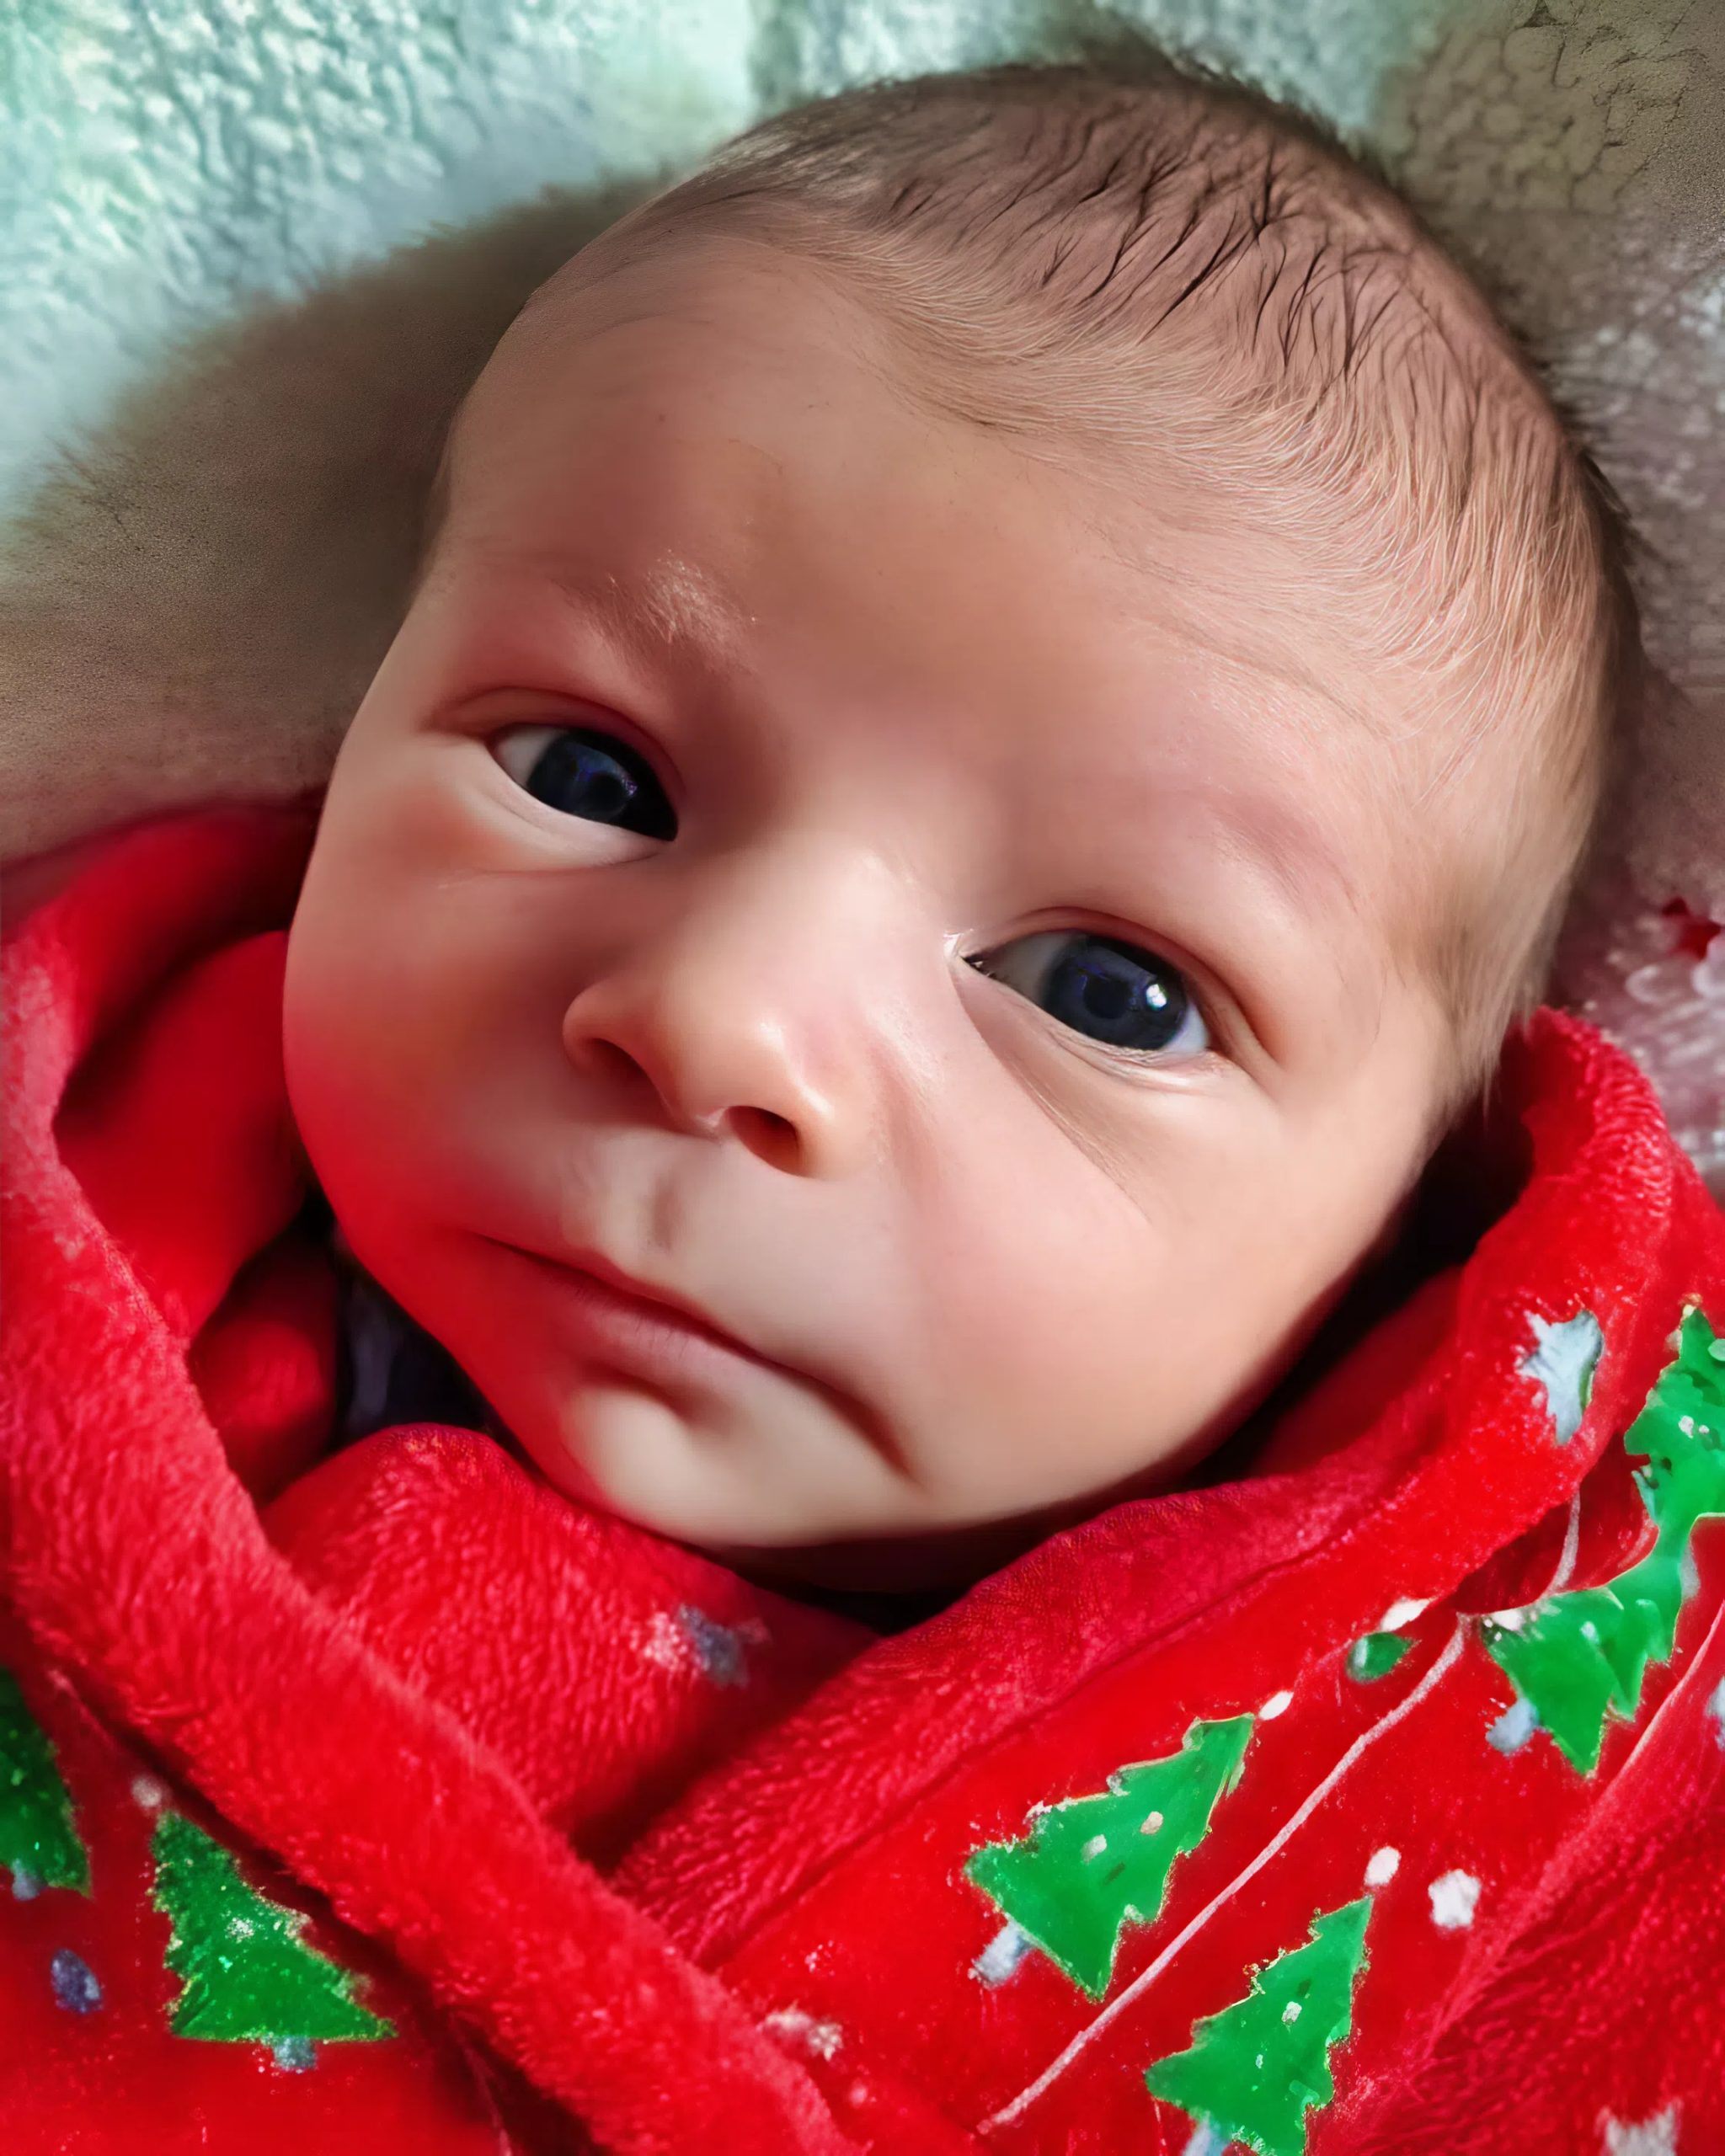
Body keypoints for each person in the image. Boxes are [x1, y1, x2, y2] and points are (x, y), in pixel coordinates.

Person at [5, 46, 1724, 2156]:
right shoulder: (88, 1238)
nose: (725, 1020)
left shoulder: (1496, 1699)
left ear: (1399, 1215)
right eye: (589, 774)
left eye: (1105, 991)